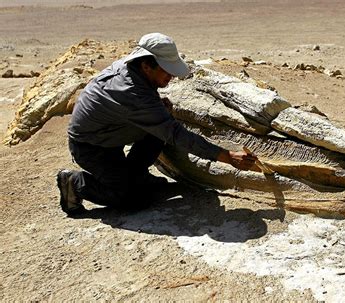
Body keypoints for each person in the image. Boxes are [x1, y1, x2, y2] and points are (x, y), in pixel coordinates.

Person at [57, 32, 257, 216]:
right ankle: (75, 183)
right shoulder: (131, 92)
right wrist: (227, 156)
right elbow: (177, 135)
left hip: (111, 135)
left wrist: (156, 110)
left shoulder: (132, 68)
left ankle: (136, 176)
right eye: (166, 71)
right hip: (91, 148)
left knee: (160, 126)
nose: (170, 77)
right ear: (146, 65)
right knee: (134, 199)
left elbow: (139, 109)